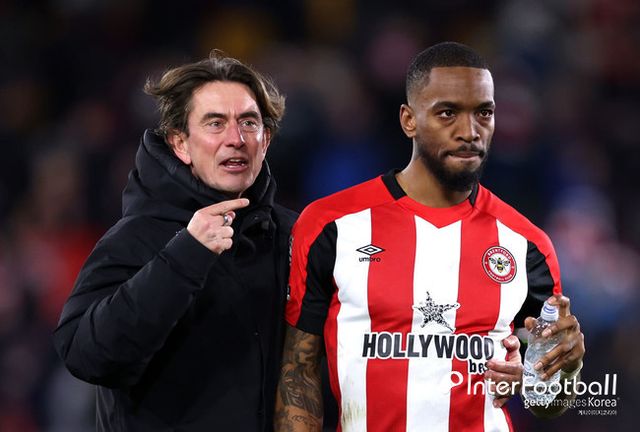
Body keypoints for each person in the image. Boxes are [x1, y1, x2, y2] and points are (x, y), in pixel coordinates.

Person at [275, 42, 585, 431]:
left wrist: (567, 368)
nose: (469, 132)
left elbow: (546, 402)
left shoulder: (527, 244)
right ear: (409, 120)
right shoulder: (332, 225)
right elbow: (298, 370)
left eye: (484, 113)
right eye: (447, 113)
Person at [53, 51, 297, 431]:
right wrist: (185, 256)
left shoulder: (295, 235)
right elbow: (87, 356)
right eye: (215, 123)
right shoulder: (136, 237)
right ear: (180, 143)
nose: (236, 139)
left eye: (249, 123)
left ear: (265, 140)